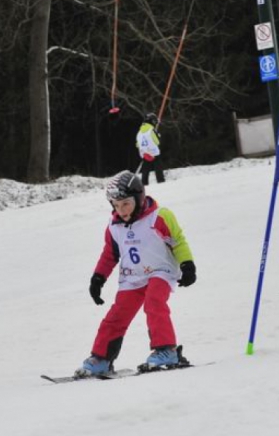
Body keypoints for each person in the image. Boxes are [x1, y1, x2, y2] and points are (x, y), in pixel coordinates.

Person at [78, 170, 197, 376]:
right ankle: (101, 359)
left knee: (154, 303)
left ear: (139, 198)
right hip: (132, 277)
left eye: (126, 203)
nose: (121, 210)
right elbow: (109, 254)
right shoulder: (114, 226)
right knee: (116, 315)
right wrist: (98, 278)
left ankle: (166, 351)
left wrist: (187, 265)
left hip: (160, 271)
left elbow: (177, 241)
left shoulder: (159, 217)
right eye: (116, 205)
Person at [135, 113, 166, 184]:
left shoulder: (139, 132)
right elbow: (157, 142)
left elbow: (137, 144)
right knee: (158, 167)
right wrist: (158, 135)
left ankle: (144, 183)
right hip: (154, 152)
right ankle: (160, 180)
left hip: (144, 154)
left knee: (145, 169)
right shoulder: (152, 130)